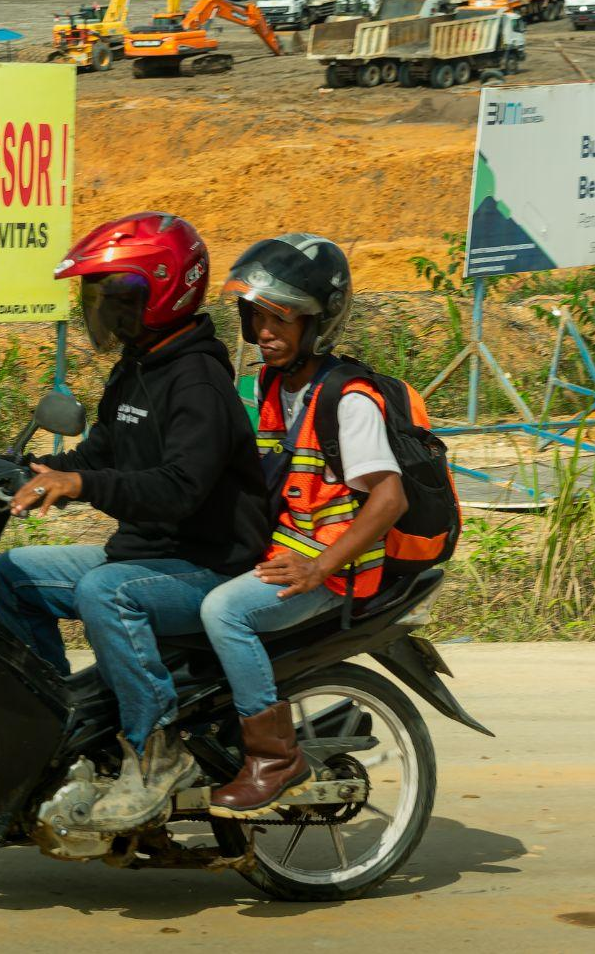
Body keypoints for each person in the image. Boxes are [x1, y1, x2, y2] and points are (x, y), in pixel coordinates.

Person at [0, 212, 269, 830]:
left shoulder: (197, 381)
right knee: (13, 575)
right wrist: (37, 471)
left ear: (164, 293)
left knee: (105, 593)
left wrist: (82, 485)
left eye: (119, 297)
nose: (107, 312)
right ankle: (58, 727)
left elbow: (180, 489)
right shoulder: (139, 365)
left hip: (205, 563)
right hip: (149, 554)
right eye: (99, 298)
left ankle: (156, 748)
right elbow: (103, 452)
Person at [201, 235, 409, 818]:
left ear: (318, 321)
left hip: (337, 572)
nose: (265, 331)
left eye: (282, 318)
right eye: (257, 316)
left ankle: (273, 759)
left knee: (224, 612)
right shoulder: (275, 384)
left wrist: (320, 566)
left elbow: (388, 498)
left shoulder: (348, 399)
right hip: (288, 553)